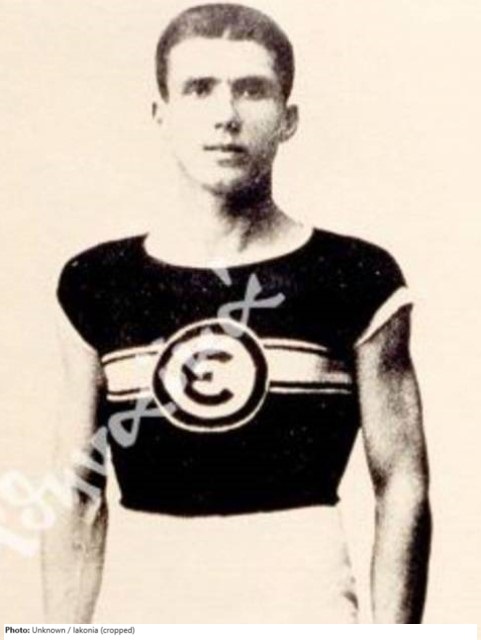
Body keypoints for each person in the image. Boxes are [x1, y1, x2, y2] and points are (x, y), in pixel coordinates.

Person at [42, 3, 431, 624]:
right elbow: (76, 492)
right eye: (199, 89)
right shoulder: (98, 283)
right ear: (161, 113)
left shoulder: (358, 276)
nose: (226, 115)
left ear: (287, 118)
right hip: (146, 601)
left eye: (252, 90)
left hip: (303, 605)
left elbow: (403, 483)